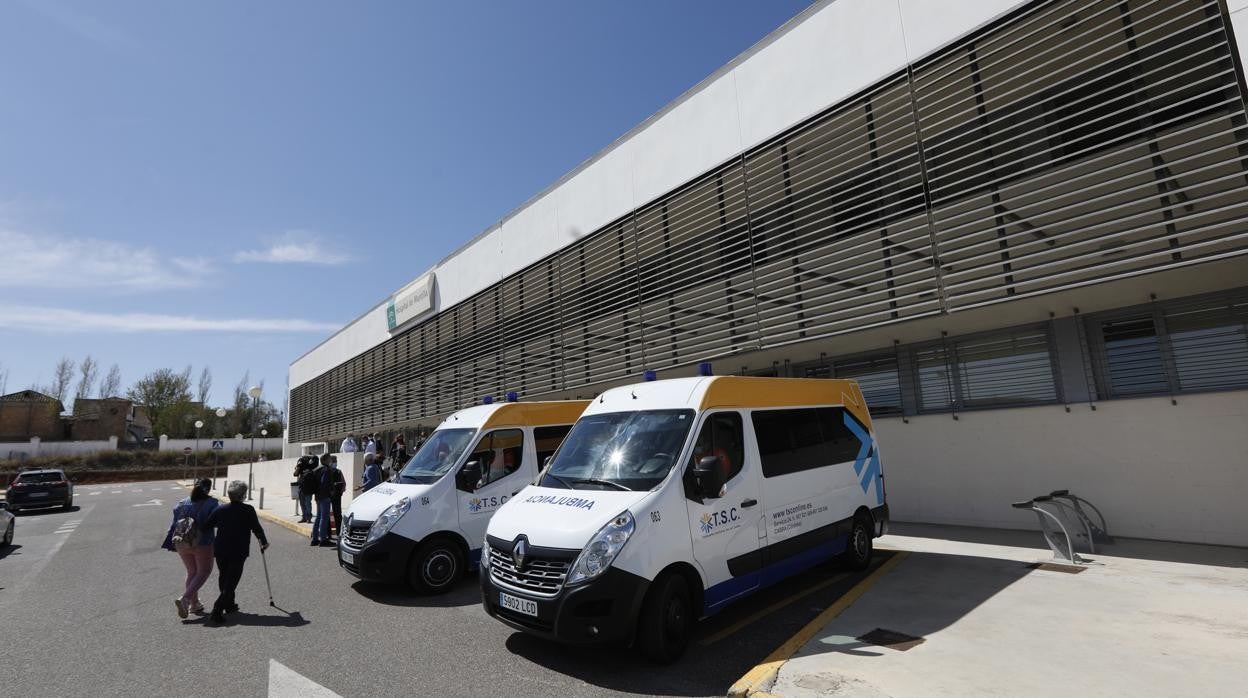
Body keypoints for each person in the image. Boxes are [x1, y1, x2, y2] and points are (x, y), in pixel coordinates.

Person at [204, 481, 268, 624]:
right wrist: (263, 541)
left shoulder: (221, 509)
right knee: (231, 582)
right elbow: (256, 528)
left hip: (220, 548)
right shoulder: (248, 510)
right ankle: (217, 609)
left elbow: (207, 525)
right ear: (243, 495)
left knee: (224, 576)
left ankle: (229, 604)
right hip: (238, 550)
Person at [161, 478, 219, 619]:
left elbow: (174, 525)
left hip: (182, 543)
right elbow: (217, 522)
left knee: (192, 572)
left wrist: (171, 543)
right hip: (202, 543)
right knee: (203, 572)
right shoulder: (211, 503)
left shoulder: (181, 503)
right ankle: (185, 599)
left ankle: (194, 605)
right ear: (209, 489)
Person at [311, 454, 334, 547]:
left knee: (318, 517)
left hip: (318, 496)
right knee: (324, 517)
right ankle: (323, 539)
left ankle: (315, 539)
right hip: (324, 496)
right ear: (326, 460)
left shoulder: (317, 469)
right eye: (329, 458)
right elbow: (324, 483)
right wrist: (330, 491)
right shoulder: (326, 469)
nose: (331, 460)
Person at [328, 456, 346, 540]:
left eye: (336, 461)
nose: (335, 462)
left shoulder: (339, 472)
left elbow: (344, 483)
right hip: (328, 496)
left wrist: (340, 492)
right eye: (334, 461)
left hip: (337, 496)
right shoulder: (327, 471)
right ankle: (328, 534)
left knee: (338, 515)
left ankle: (339, 533)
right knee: (327, 515)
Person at [293, 456, 315, 523]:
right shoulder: (300, 467)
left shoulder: (311, 466)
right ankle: (304, 517)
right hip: (301, 488)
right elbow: (295, 474)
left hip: (308, 488)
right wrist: (298, 468)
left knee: (308, 503)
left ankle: (308, 518)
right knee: (302, 504)